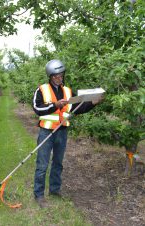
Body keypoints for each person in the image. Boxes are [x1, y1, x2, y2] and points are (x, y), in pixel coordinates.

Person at [32, 59, 103, 208]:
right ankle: (38, 195)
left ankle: (54, 190)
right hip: (47, 132)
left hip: (62, 132)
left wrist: (93, 103)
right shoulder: (42, 90)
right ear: (50, 76)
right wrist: (54, 105)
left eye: (61, 74)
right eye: (56, 75)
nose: (59, 77)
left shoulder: (68, 91)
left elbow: (78, 108)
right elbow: (37, 109)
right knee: (42, 164)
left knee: (58, 163)